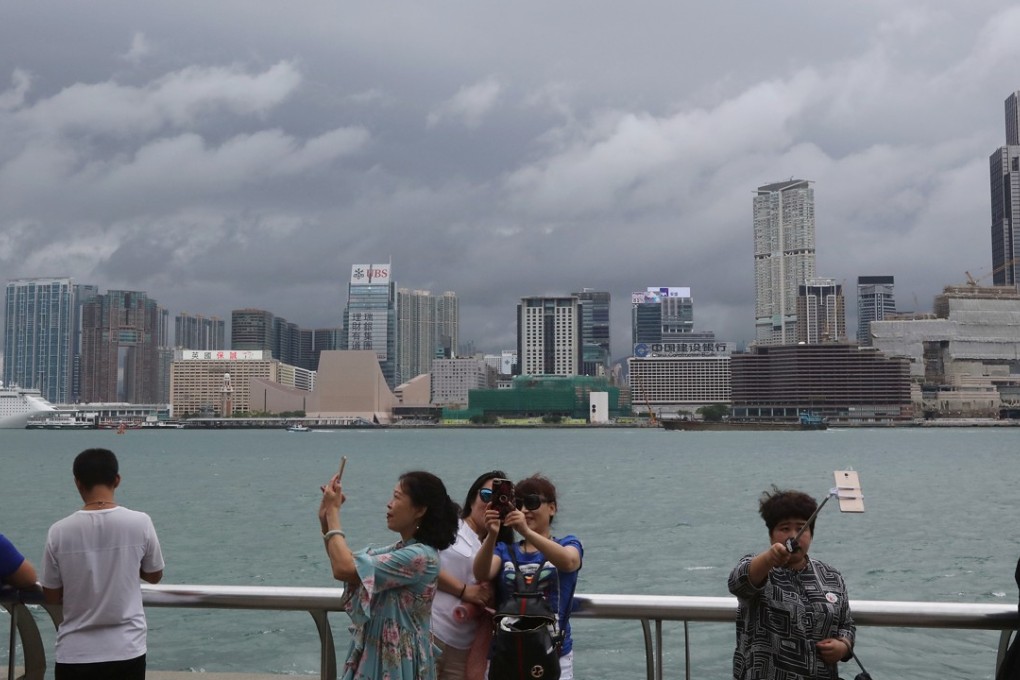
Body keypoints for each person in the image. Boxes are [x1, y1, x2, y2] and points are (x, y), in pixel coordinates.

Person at [319, 469, 459, 680]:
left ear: (420, 509)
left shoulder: (420, 557)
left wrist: (333, 512)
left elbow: (345, 567)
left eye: (396, 497)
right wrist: (326, 520)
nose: (389, 504)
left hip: (397, 661)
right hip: (384, 653)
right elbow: (347, 564)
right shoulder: (402, 550)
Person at [40, 448, 165, 680]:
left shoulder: (59, 531)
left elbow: (51, 595)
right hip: (127, 648)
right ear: (117, 480)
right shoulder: (140, 523)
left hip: (75, 652)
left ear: (77, 483)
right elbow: (154, 574)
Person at [728, 487, 855, 680]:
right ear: (771, 534)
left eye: (801, 527)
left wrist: (843, 646)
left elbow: (846, 624)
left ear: (811, 534)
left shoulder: (831, 576)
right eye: (785, 528)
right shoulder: (759, 568)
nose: (793, 535)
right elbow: (738, 582)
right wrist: (770, 558)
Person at [473, 474, 583, 680]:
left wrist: (526, 531)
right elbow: (481, 572)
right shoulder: (504, 550)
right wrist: (492, 534)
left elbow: (569, 562)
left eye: (532, 503)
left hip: (553, 654)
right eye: (519, 504)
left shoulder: (568, 543)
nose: (524, 510)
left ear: (552, 508)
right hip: (506, 653)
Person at [432, 471, 512, 680]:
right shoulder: (450, 528)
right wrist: (465, 591)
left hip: (464, 648)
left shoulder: (502, 550)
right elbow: (423, 566)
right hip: (430, 634)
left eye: (498, 500)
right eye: (486, 495)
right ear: (472, 497)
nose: (490, 504)